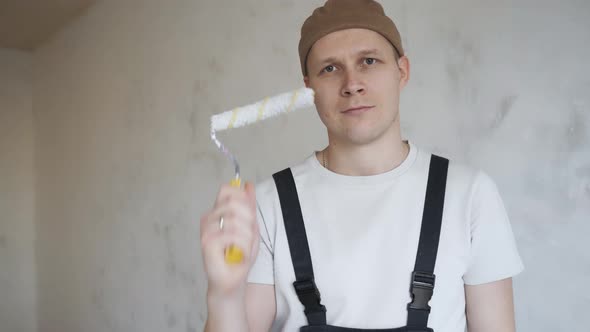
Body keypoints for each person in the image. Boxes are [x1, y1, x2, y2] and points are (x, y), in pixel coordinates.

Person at [200, 0, 524, 331]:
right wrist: (223, 295)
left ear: (402, 72)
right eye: (330, 68)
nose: (352, 83)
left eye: (368, 61)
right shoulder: (267, 206)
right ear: (309, 89)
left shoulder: (469, 195)